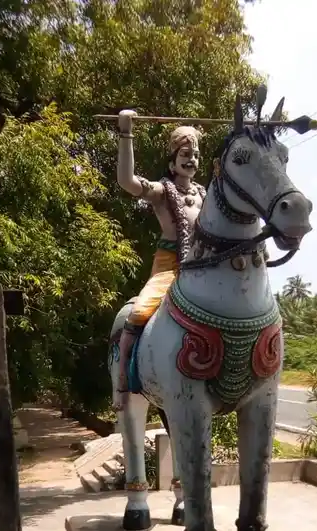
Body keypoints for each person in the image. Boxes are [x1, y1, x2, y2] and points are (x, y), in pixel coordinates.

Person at [114, 109, 205, 410]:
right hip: (169, 266)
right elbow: (127, 181)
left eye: (195, 154)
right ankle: (122, 377)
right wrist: (126, 133)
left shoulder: (205, 194)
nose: (191, 159)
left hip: (201, 267)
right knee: (139, 313)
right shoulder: (161, 191)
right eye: (185, 153)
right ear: (172, 161)